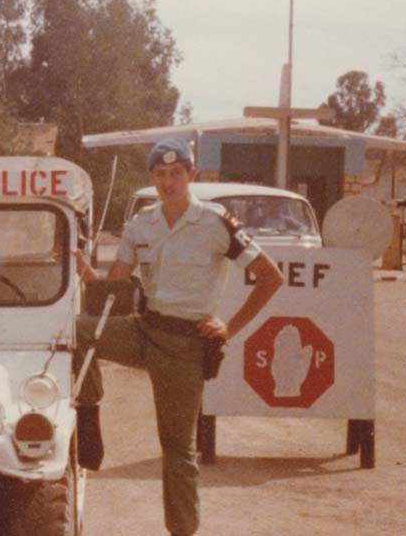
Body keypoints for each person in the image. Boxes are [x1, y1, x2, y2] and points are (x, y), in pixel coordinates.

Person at [74, 136, 284, 536]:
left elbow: (270, 278)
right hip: (144, 328)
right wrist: (82, 267)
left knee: (177, 449)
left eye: (176, 173)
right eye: (159, 174)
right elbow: (113, 289)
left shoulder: (216, 222)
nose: (168, 181)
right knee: (73, 332)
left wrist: (228, 328)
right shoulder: (141, 223)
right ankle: (88, 418)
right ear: (151, 177)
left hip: (185, 346)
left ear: (191, 174)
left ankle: (182, 531)